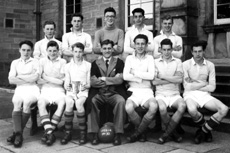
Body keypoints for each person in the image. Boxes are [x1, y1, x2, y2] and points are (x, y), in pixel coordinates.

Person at [183, 40, 228, 144]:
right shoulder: (185, 64)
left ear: (204, 52)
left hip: (205, 95)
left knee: (224, 109)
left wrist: (195, 85)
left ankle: (202, 132)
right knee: (192, 110)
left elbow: (212, 88)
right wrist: (203, 84)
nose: (197, 54)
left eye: (200, 51)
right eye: (195, 51)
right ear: (191, 52)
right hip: (190, 95)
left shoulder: (210, 65)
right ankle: (207, 131)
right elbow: (187, 86)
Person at [87, 39, 127, 146]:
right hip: (99, 93)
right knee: (92, 102)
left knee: (121, 102)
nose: (107, 51)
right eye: (104, 48)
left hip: (114, 93)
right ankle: (94, 133)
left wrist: (104, 79)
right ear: (101, 49)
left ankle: (118, 133)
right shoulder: (95, 63)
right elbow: (93, 81)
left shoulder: (119, 62)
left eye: (109, 48)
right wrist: (111, 81)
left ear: (113, 49)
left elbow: (120, 80)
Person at [123, 34, 158, 142]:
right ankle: (143, 129)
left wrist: (134, 73)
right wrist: (141, 78)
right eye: (138, 43)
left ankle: (138, 133)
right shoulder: (129, 58)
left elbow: (151, 75)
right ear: (134, 45)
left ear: (146, 45)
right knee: (128, 108)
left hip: (147, 91)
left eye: (143, 44)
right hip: (133, 91)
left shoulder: (150, 58)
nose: (140, 46)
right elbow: (125, 76)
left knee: (153, 106)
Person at [152, 39, 186, 144]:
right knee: (162, 108)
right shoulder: (155, 62)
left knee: (182, 106)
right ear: (160, 50)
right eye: (164, 50)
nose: (166, 52)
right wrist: (172, 78)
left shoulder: (178, 62)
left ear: (172, 50)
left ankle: (166, 134)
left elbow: (179, 80)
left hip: (175, 93)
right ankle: (173, 133)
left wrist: (162, 77)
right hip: (160, 94)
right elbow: (155, 82)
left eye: (169, 50)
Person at [7, 40, 40, 148]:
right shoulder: (15, 63)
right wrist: (27, 79)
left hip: (33, 89)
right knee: (17, 102)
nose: (26, 52)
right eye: (23, 50)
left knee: (26, 103)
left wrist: (19, 77)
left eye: (28, 50)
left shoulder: (36, 62)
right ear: (19, 50)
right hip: (20, 89)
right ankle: (19, 134)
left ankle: (16, 134)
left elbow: (35, 78)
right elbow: (11, 80)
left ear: (32, 51)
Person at [61, 42, 91, 145]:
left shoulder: (88, 65)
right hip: (71, 91)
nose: (78, 54)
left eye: (80, 52)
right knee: (69, 103)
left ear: (83, 52)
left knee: (79, 103)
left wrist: (86, 86)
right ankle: (68, 132)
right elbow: (66, 81)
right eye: (75, 52)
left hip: (83, 91)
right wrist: (67, 86)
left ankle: (83, 132)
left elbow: (89, 82)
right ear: (72, 52)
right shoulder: (68, 66)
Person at [37, 41, 66, 146]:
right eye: (50, 51)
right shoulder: (42, 61)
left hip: (59, 90)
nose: (52, 53)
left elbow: (62, 81)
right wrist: (54, 79)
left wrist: (46, 77)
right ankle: (50, 132)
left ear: (58, 51)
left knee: (62, 102)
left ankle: (48, 131)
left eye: (55, 51)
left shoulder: (63, 62)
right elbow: (39, 80)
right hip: (46, 89)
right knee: (40, 103)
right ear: (46, 51)